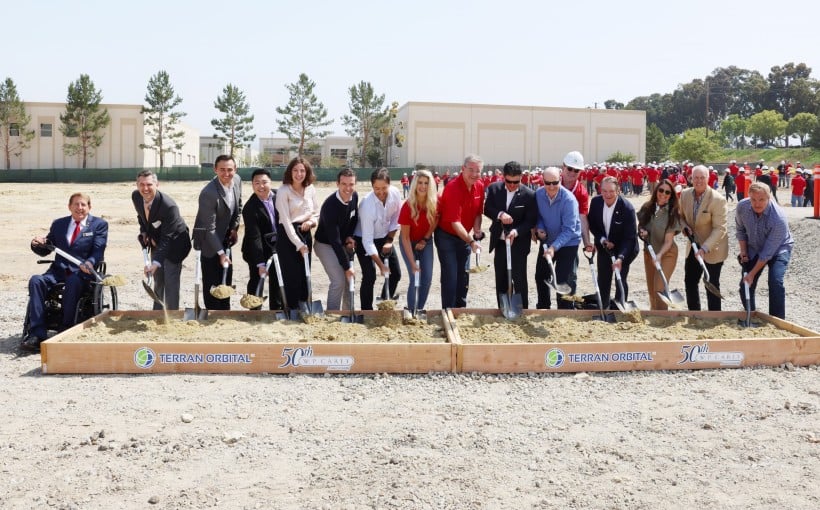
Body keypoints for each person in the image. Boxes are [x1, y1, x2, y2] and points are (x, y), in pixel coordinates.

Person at [24, 193, 108, 351]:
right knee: (36, 280)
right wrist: (38, 244)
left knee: (72, 280)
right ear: (69, 207)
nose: (79, 208)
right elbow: (47, 248)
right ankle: (37, 334)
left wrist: (90, 262)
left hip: (83, 273)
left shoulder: (99, 225)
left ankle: (65, 327)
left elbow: (98, 250)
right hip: (57, 271)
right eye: (76, 204)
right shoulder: (59, 224)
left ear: (89, 207)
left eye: (83, 204)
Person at [132, 170, 191, 310]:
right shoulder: (136, 196)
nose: (145, 188)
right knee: (158, 280)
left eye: (149, 184)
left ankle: (172, 316)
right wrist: (144, 231)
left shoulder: (169, 206)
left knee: (170, 281)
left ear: (157, 184)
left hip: (176, 243)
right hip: (157, 241)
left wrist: (156, 262)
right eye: (141, 184)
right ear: (137, 185)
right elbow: (141, 216)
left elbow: (167, 238)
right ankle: (157, 314)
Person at [736, 182, 794, 319]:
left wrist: (752, 273)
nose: (757, 204)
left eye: (761, 199)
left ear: (769, 198)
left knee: (775, 281)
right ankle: (752, 315)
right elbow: (740, 230)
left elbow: (767, 252)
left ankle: (777, 320)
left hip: (779, 248)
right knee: (745, 284)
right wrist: (743, 251)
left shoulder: (778, 218)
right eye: (753, 199)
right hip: (754, 247)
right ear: (749, 197)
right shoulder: (742, 207)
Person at [484, 161, 536, 309]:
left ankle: (522, 309)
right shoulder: (494, 189)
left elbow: (530, 220)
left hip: (519, 244)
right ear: (503, 177)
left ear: (521, 178)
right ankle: (503, 308)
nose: (512, 185)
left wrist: (516, 231)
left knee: (519, 278)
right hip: (500, 242)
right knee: (501, 277)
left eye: (516, 182)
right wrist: (500, 214)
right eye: (509, 181)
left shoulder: (529, 195)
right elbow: (487, 209)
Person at [435, 154, 485, 309]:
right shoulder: (452, 188)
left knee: (463, 276)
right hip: (447, 236)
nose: (474, 174)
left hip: (464, 237)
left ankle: (460, 309)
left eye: (478, 171)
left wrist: (476, 229)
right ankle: (448, 310)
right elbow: (455, 222)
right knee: (451, 275)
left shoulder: (480, 186)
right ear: (463, 169)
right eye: (471, 170)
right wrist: (470, 241)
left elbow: (478, 212)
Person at [192, 155, 242, 310]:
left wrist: (234, 227)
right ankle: (213, 312)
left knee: (226, 278)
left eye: (229, 169)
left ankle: (224, 313)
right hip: (208, 241)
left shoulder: (237, 181)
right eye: (222, 170)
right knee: (213, 283)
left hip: (225, 238)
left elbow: (239, 206)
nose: (226, 173)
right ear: (215, 170)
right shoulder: (209, 193)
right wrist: (221, 253)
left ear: (235, 169)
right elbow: (209, 228)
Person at [679, 165, 729, 311]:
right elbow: (680, 216)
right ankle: (695, 313)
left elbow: (720, 228)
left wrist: (705, 248)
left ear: (708, 178)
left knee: (711, 283)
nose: (699, 181)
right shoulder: (685, 194)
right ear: (691, 178)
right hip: (693, 246)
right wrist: (684, 226)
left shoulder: (717, 200)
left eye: (702, 178)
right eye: (696, 178)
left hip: (713, 248)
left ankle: (714, 316)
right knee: (690, 281)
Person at [353, 168, 402, 309]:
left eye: (384, 188)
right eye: (376, 188)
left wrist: (389, 241)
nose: (380, 192)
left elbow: (395, 219)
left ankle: (384, 304)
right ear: (372, 186)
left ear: (389, 184)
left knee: (396, 274)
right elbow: (367, 241)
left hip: (384, 237)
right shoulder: (367, 205)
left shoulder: (395, 193)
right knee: (370, 276)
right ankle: (366, 310)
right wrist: (381, 265)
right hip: (364, 239)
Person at [587, 176, 639, 310]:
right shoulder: (596, 202)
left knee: (620, 278)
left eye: (611, 191)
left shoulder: (627, 208)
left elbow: (630, 238)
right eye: (604, 191)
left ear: (618, 191)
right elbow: (593, 225)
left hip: (625, 248)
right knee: (603, 279)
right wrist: (603, 240)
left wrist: (620, 258)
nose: (607, 194)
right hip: (605, 247)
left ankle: (619, 308)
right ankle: (603, 308)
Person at [275, 156, 320, 310]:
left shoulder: (311, 189)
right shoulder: (283, 191)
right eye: (295, 170)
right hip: (288, 236)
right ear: (290, 172)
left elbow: (316, 212)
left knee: (305, 273)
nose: (299, 174)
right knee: (291, 275)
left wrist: (311, 222)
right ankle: (291, 309)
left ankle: (305, 308)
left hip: (305, 232)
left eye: (302, 170)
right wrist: (299, 244)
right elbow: (286, 221)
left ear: (307, 172)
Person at [534, 166, 580, 309]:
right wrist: (540, 228)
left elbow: (569, 230)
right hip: (548, 240)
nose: (552, 186)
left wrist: (554, 247)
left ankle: (565, 310)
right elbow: (538, 216)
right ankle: (543, 307)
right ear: (543, 181)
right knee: (541, 275)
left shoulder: (569, 200)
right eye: (548, 183)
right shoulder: (538, 195)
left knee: (563, 279)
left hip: (568, 243)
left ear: (560, 179)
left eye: (555, 182)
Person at [314, 168, 359, 311]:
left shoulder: (355, 196)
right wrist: (346, 267)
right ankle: (332, 313)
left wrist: (350, 235)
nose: (348, 188)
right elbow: (334, 240)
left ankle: (347, 312)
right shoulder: (330, 206)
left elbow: (354, 217)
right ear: (337, 184)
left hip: (340, 241)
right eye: (344, 184)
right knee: (339, 280)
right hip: (325, 244)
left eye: (351, 184)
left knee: (349, 278)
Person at [241, 168, 283, 310]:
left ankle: (276, 310)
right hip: (256, 249)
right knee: (257, 278)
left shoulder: (280, 196)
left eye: (264, 182)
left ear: (271, 182)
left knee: (277, 279)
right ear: (252, 185)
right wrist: (260, 263)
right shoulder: (250, 208)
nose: (261, 186)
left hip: (277, 246)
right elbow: (254, 236)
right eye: (257, 183)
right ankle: (254, 311)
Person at [637, 179, 681, 310]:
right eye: (661, 190)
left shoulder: (673, 213)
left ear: (671, 195)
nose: (664, 194)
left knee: (659, 287)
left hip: (666, 254)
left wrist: (660, 255)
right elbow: (641, 226)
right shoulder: (647, 207)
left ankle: (663, 317)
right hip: (649, 253)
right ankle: (654, 315)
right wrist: (642, 232)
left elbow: (668, 241)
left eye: (668, 192)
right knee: (651, 289)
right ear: (656, 191)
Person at [399, 169, 438, 311]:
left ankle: (419, 309)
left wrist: (425, 239)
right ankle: (410, 310)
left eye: (426, 183)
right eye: (420, 182)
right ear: (415, 184)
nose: (423, 186)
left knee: (426, 279)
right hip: (408, 242)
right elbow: (405, 237)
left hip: (425, 241)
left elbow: (435, 220)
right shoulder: (407, 207)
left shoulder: (434, 203)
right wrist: (412, 263)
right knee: (415, 276)